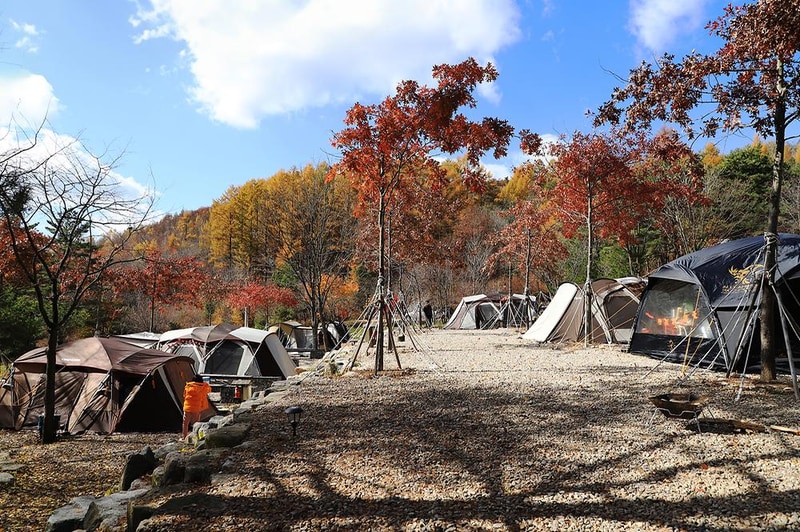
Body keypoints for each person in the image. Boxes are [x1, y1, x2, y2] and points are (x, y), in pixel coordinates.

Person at [182, 374, 211, 440]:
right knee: (196, 424)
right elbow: (208, 390)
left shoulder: (188, 386)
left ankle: (184, 437)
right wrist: (205, 384)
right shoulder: (203, 387)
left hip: (187, 407)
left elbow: (184, 395)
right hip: (197, 408)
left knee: (185, 423)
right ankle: (195, 437)